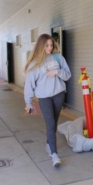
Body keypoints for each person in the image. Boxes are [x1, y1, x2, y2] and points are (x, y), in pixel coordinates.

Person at [24, 33, 71, 167]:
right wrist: (28, 102)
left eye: (51, 45)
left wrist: (57, 72)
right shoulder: (35, 63)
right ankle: (55, 155)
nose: (50, 48)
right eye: (47, 45)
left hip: (59, 94)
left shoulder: (58, 57)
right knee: (50, 123)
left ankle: (48, 144)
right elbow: (29, 84)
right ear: (41, 46)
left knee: (54, 123)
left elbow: (67, 75)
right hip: (44, 97)